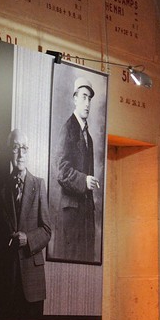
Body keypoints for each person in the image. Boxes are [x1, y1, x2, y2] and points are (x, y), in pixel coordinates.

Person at [0, 129, 53, 319]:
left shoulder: (39, 185)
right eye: (15, 148)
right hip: (6, 279)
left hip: (33, 282)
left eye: (24, 148)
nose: (21, 154)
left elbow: (47, 230)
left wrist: (27, 239)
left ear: (28, 152)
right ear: (9, 152)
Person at [52, 76, 101, 262]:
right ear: (74, 98)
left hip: (85, 217)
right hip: (71, 218)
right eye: (83, 97)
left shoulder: (88, 136)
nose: (87, 103)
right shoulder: (68, 128)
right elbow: (61, 171)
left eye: (89, 98)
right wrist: (84, 180)